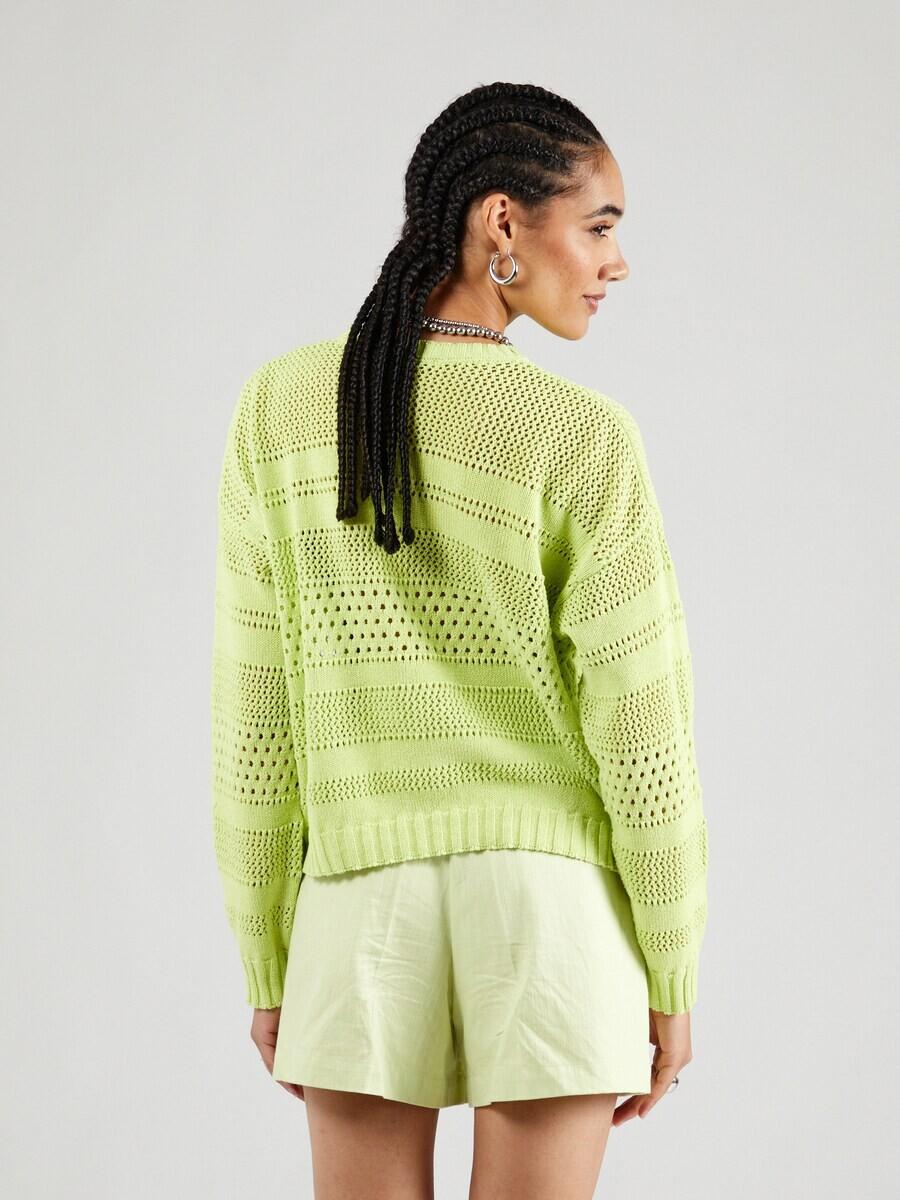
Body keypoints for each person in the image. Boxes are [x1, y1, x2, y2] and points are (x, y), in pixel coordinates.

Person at [210, 80, 709, 1198]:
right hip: (552, 916)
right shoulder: (580, 436)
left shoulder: (279, 411)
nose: (617, 263)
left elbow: (256, 718)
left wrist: (270, 955)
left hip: (353, 909)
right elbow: (643, 734)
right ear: (502, 223)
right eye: (599, 227)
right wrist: (672, 969)